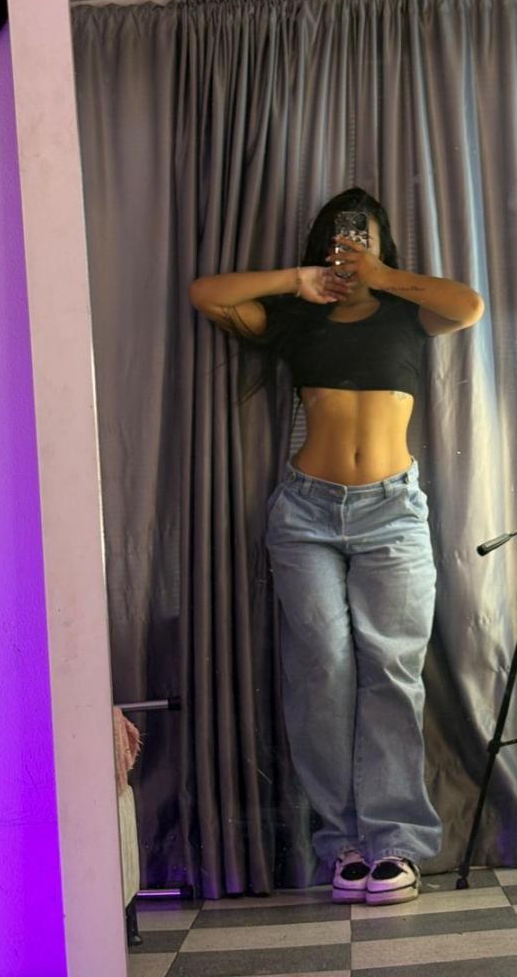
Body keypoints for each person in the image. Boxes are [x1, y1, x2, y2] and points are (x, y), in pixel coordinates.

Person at [189, 188, 484, 906]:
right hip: (306, 513)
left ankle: (395, 843)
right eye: (340, 237)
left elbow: (470, 305)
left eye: (364, 236)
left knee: (392, 670)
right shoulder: (297, 316)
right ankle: (342, 844)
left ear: (382, 244)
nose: (351, 247)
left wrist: (381, 278)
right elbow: (205, 293)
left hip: (392, 512)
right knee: (321, 669)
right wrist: (298, 280)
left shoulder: (410, 311)